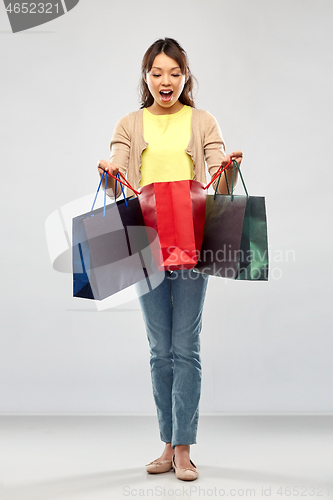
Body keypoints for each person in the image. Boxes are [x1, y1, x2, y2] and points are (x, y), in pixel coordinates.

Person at [98, 38, 243, 481]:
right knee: (160, 349)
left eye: (175, 73)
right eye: (158, 73)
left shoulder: (202, 121)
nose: (166, 81)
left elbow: (220, 186)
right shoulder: (129, 123)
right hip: (145, 243)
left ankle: (184, 448)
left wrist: (231, 168)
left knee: (186, 346)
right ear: (146, 77)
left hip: (193, 242)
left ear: (185, 77)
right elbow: (117, 183)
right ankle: (166, 442)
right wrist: (107, 173)